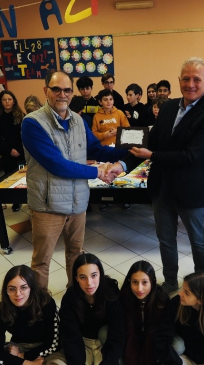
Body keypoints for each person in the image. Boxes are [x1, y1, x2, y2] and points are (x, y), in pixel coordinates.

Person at [21, 71, 128, 290]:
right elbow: (56, 164)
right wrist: (97, 172)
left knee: (76, 256)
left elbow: (96, 149)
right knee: (41, 262)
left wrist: (129, 151)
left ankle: (74, 300)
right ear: (46, 91)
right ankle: (41, 306)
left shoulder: (78, 120)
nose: (62, 94)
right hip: (48, 205)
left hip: (77, 203)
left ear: (72, 93)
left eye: (67, 90)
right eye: (56, 89)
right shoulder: (32, 123)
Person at [130, 57, 204, 294]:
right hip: (162, 187)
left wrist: (152, 155)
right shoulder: (169, 106)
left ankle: (201, 285)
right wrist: (126, 152)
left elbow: (191, 156)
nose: (190, 84)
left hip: (191, 189)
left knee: (197, 240)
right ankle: (170, 282)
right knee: (165, 239)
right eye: (186, 79)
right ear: (179, 81)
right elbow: (154, 140)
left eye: (196, 79)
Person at [120, 260, 169, 365]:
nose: (139, 288)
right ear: (129, 282)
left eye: (144, 282)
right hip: (132, 338)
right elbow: (130, 337)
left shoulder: (161, 299)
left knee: (177, 345)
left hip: (152, 340)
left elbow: (151, 339)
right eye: (135, 282)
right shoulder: (124, 297)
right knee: (106, 334)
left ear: (152, 282)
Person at [0, 90, 25, 212]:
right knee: (11, 178)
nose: (7, 102)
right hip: (7, 154)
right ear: (1, 102)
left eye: (9, 99)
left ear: (14, 101)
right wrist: (9, 150)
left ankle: (25, 199)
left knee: (22, 177)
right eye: (4, 100)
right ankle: (16, 201)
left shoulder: (21, 116)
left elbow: (25, 135)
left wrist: (19, 150)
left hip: (21, 153)